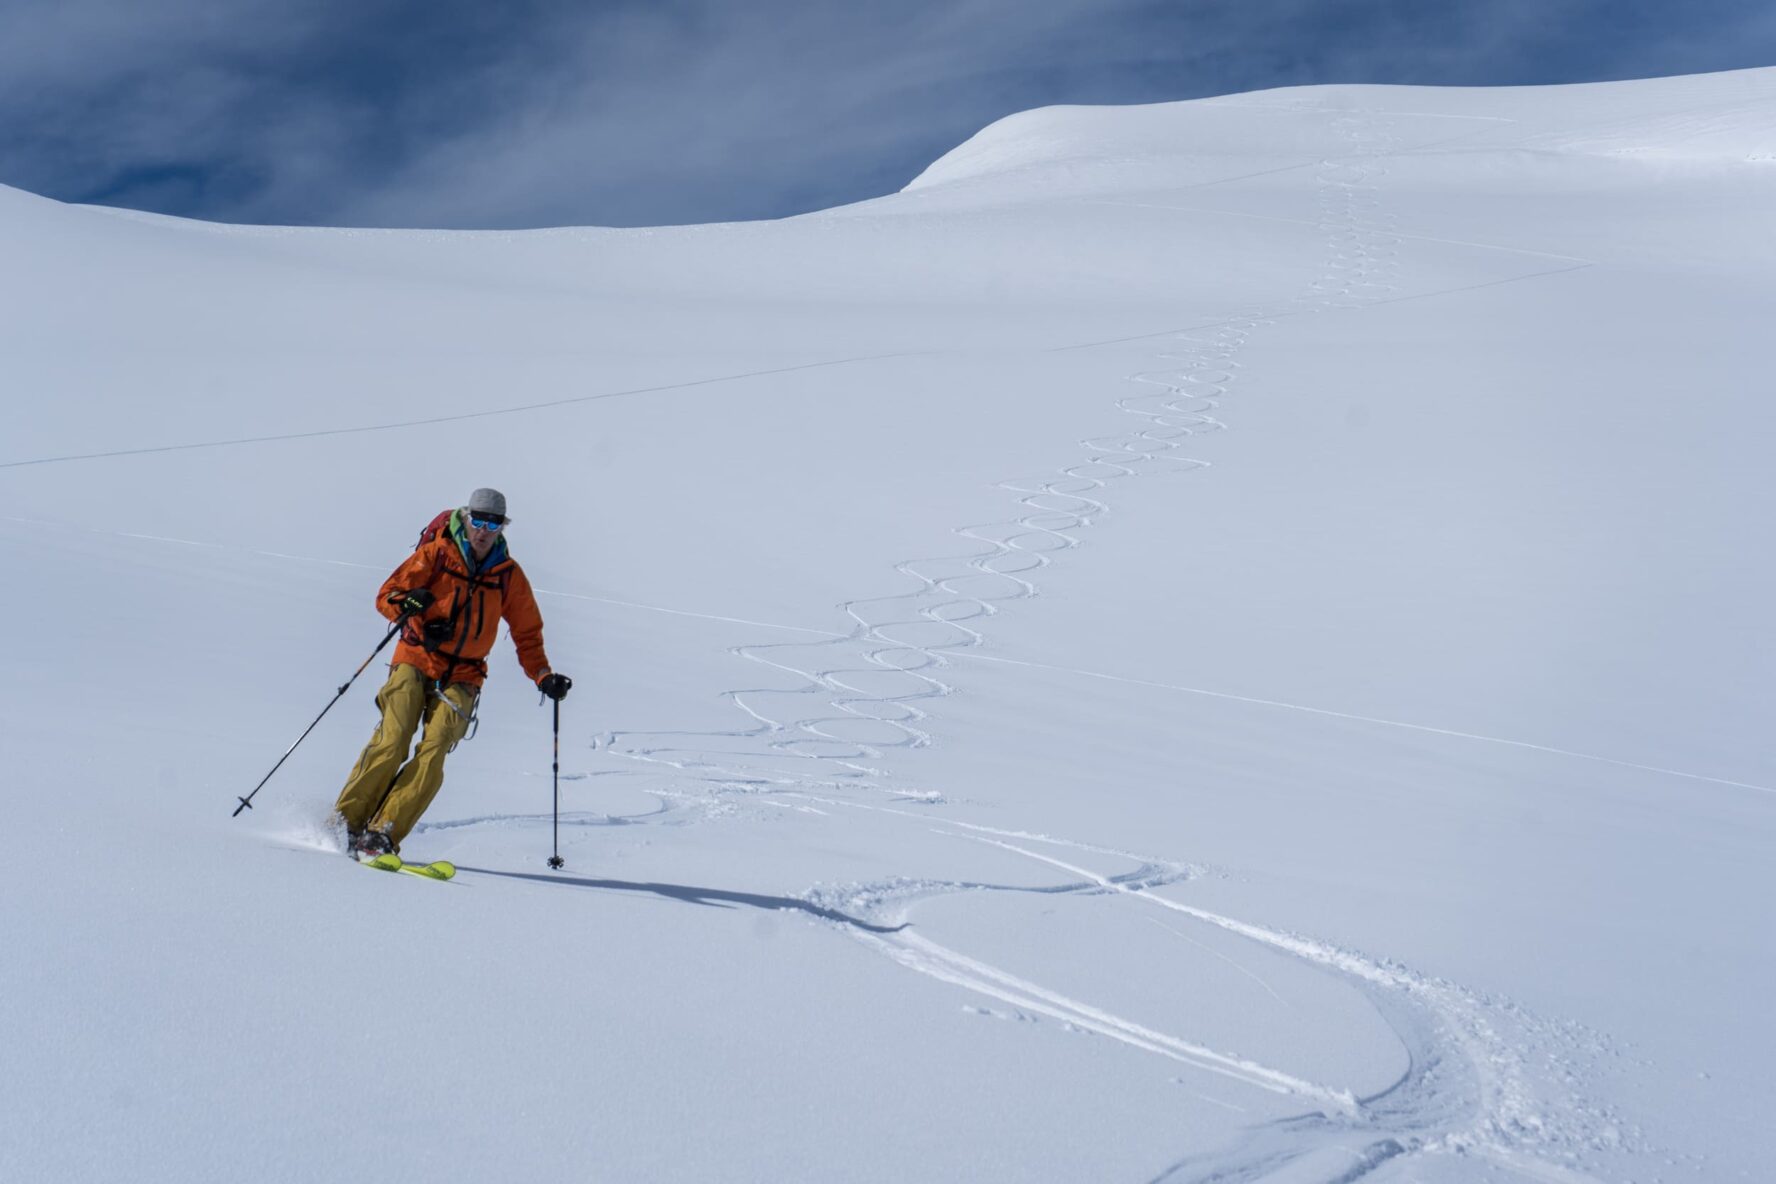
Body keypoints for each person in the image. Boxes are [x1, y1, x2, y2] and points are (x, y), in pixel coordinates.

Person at [333, 487, 571, 858]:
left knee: (436, 749)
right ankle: (346, 822)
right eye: (478, 520)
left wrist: (542, 675)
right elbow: (389, 594)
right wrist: (411, 608)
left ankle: (383, 832)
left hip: (465, 674)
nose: (484, 529)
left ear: (502, 527)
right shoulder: (436, 555)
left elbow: (527, 632)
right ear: (465, 518)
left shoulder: (507, 576)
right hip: (415, 657)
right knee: (394, 740)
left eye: (493, 523)